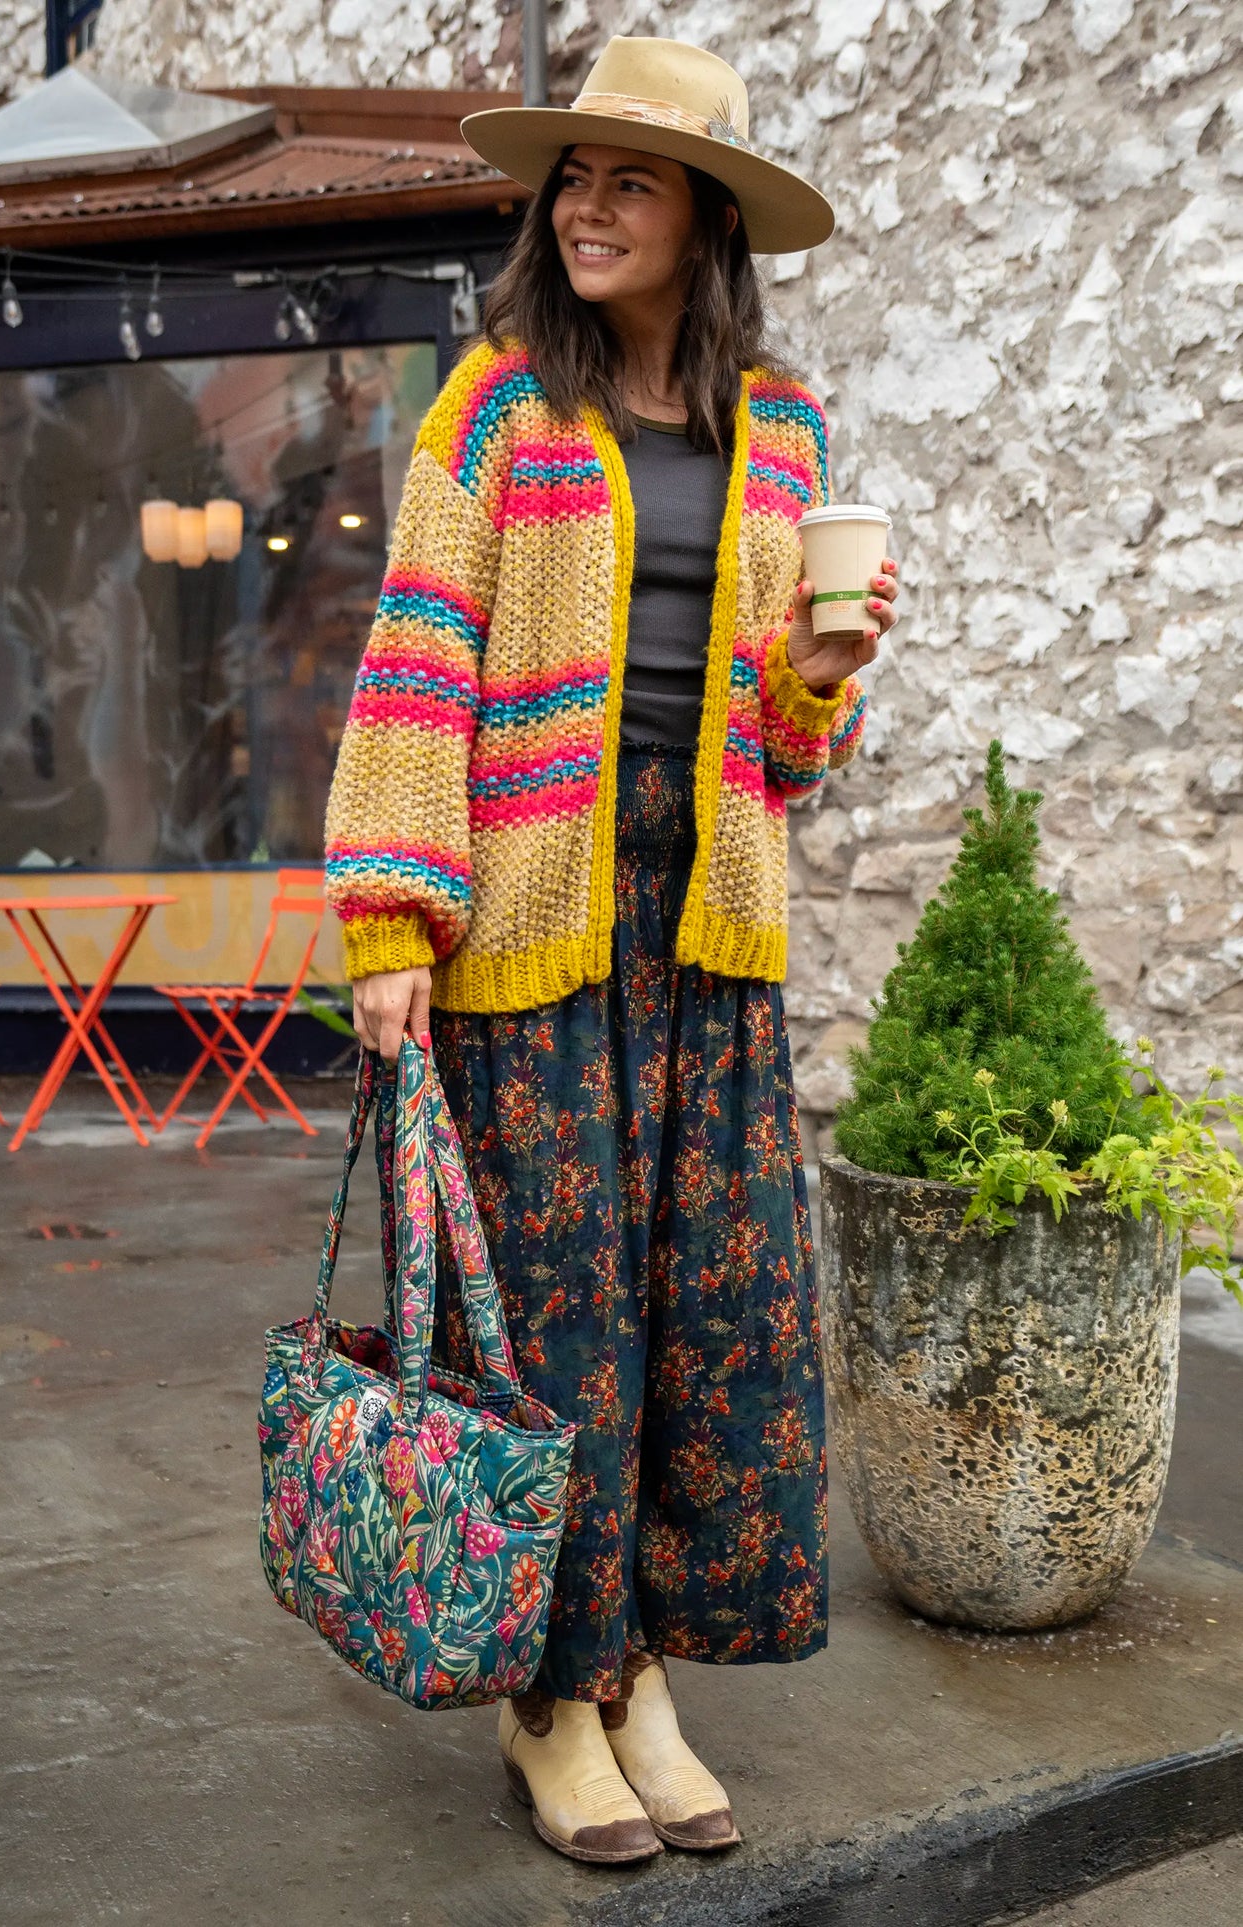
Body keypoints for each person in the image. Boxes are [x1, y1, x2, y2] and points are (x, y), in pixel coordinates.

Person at [323, 34, 899, 1867]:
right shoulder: (493, 407)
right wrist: (391, 913)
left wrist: (812, 684)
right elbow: (418, 658)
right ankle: (549, 1703)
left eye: (625, 181)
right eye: (569, 179)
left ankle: (642, 1666)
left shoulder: (781, 425)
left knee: (704, 1313)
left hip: (708, 920)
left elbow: (778, 750)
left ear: (705, 218)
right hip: (524, 912)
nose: (584, 207)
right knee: (557, 1318)